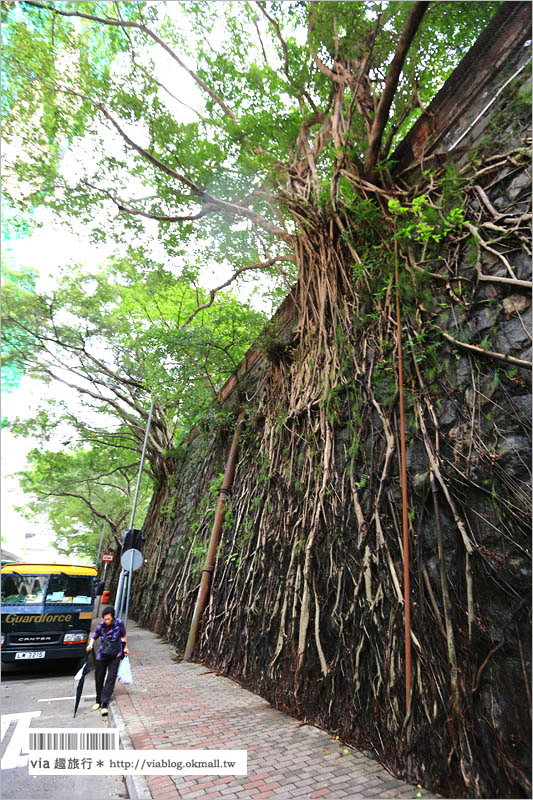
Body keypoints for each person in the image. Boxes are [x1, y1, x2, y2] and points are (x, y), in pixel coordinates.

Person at [86, 605, 129, 716]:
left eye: (108, 619)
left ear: (113, 618)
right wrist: (90, 645)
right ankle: (98, 700)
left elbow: (124, 636)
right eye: (105, 619)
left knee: (111, 677)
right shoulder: (101, 625)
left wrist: (125, 647)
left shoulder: (119, 623)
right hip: (102, 654)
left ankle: (104, 703)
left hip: (115, 654)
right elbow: (94, 636)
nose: (107, 621)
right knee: (99, 677)